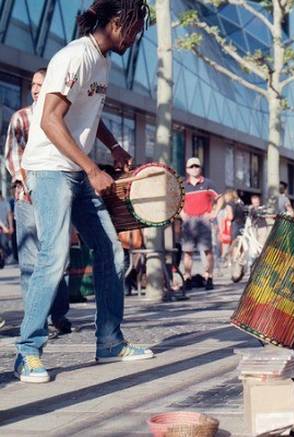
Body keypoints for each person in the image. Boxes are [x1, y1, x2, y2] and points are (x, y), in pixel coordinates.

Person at [16, 0, 153, 384]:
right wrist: (93, 167)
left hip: (78, 169)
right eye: (133, 27)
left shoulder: (101, 62)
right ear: (114, 22)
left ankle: (109, 341)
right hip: (52, 168)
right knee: (54, 256)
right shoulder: (75, 56)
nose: (136, 36)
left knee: (111, 252)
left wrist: (112, 146)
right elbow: (49, 119)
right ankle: (27, 352)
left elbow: (88, 112)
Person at [4, 67, 73, 338]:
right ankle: (36, 319)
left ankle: (59, 313)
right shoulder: (22, 117)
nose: (34, 88)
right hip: (27, 197)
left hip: (57, 195)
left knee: (57, 256)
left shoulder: (64, 117)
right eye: (33, 84)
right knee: (31, 260)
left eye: (40, 84)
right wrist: (27, 182)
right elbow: (12, 156)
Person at [180, 157, 221, 291]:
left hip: (203, 221)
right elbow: (177, 203)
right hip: (188, 222)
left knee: (207, 251)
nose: (194, 169)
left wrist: (214, 213)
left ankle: (209, 277)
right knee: (187, 252)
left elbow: (220, 199)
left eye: (196, 166)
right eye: (191, 167)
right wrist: (182, 215)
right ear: (187, 170)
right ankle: (187, 278)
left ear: (200, 168)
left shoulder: (208, 184)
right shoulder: (183, 186)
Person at [0, 192, 13, 266]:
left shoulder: (6, 203)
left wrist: (11, 226)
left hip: (4, 230)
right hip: (3, 228)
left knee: (4, 245)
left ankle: (2, 259)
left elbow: (9, 215)